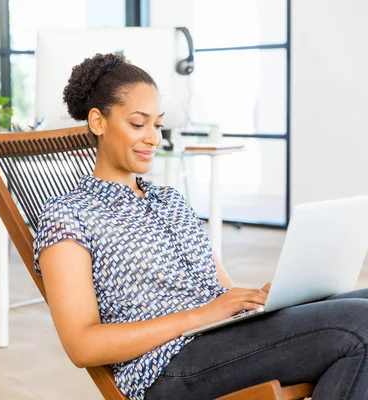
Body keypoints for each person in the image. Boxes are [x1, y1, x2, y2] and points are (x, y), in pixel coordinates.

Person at [32, 53, 368, 400]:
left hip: (221, 340)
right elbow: (82, 345)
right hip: (168, 367)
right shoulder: (69, 216)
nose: (152, 138)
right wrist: (201, 315)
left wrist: (260, 301)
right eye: (137, 124)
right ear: (98, 122)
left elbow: (219, 287)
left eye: (157, 125)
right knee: (360, 327)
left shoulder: (170, 199)